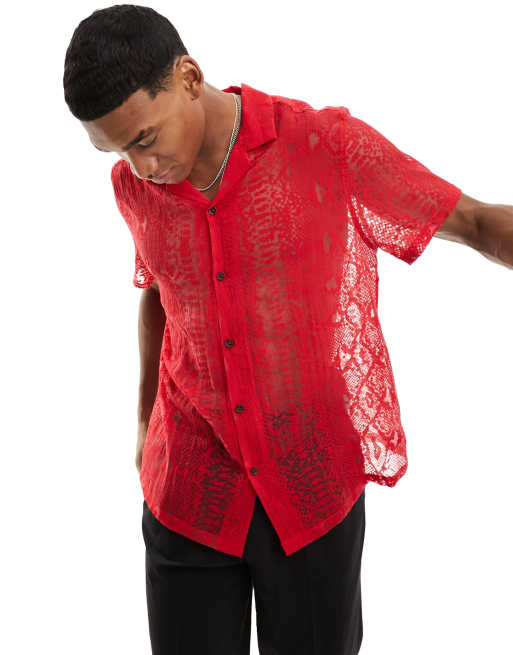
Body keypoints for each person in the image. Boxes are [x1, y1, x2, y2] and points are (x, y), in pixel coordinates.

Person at [63, 5, 513, 655]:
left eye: (144, 138)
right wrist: (142, 420)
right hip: (189, 493)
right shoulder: (134, 188)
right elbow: (160, 289)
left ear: (189, 78)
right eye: (115, 150)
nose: (139, 166)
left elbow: (472, 221)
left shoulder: (323, 145)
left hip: (310, 490)